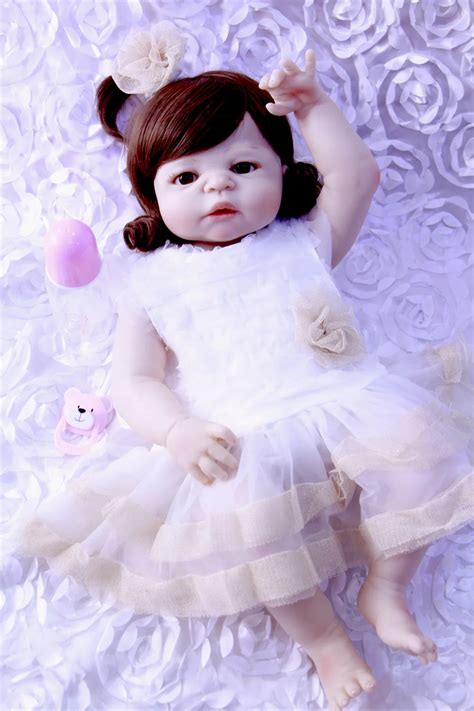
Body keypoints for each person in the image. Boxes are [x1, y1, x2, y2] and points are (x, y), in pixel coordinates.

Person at [13, 26, 473, 711]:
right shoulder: (152, 284)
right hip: (244, 439)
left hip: (347, 401)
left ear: (282, 172)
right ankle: (324, 642)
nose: (218, 186)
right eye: (186, 177)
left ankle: (387, 585)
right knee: (258, 542)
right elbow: (133, 382)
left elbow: (357, 177)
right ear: (151, 196)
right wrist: (176, 431)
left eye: (244, 166)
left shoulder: (302, 240)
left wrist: (313, 107)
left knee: (418, 460)